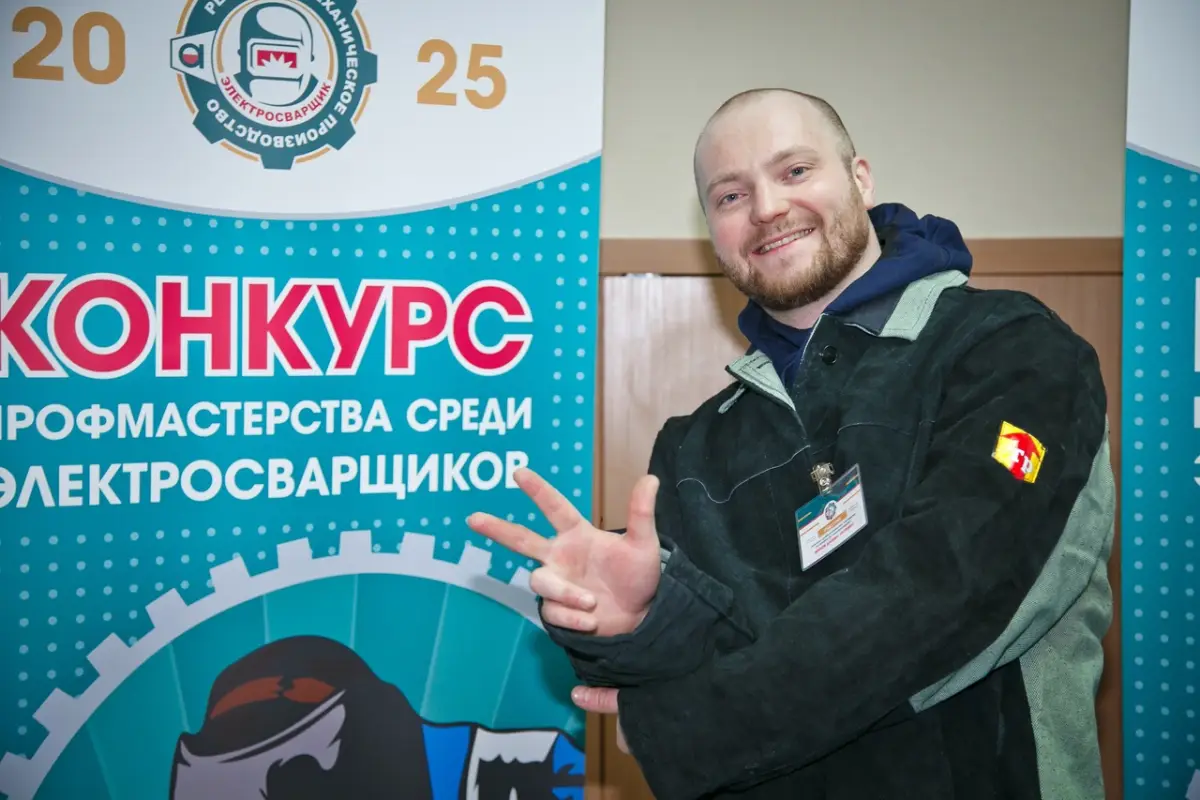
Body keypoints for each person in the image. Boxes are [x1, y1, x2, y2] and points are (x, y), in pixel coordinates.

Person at [468, 88, 1115, 799]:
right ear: (713, 231)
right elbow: (705, 654)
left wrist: (693, 727)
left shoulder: (1010, 350)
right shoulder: (692, 448)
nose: (767, 208)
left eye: (795, 171)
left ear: (860, 179)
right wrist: (638, 622)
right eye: (730, 195)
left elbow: (950, 596)